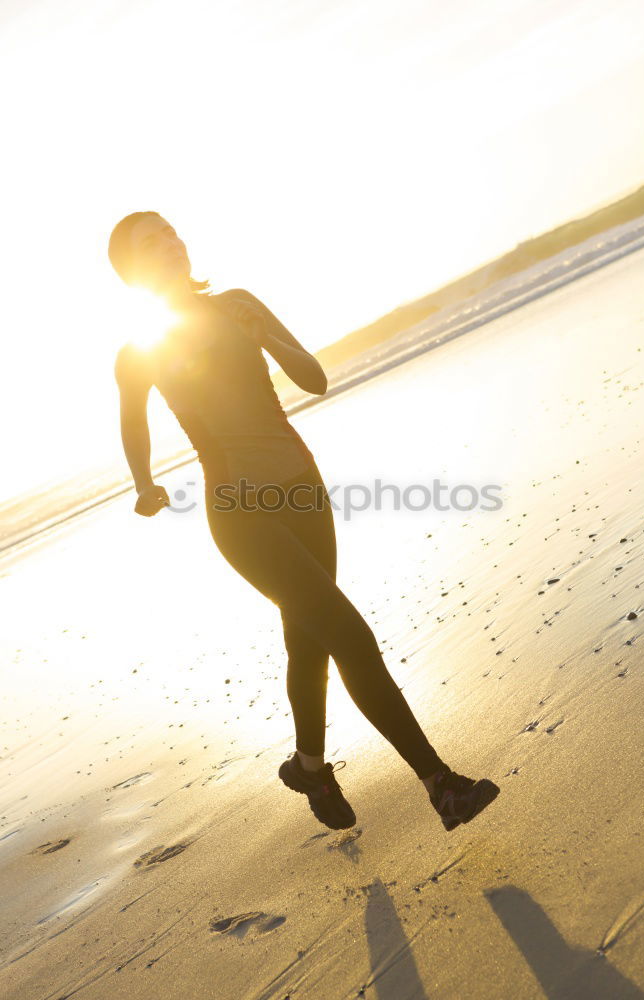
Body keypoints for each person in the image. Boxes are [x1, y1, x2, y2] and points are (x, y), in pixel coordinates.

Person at [107, 211, 499, 832]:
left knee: (308, 638)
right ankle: (440, 783)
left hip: (304, 490)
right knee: (349, 634)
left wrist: (262, 331)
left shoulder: (238, 303)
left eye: (171, 232)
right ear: (132, 272)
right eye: (151, 243)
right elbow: (133, 424)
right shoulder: (140, 352)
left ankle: (310, 767)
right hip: (240, 511)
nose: (171, 243)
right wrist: (144, 483)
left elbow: (312, 380)